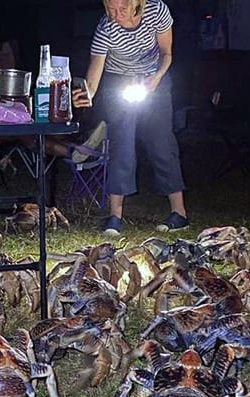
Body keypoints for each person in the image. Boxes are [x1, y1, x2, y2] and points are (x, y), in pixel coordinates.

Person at [82, 0, 188, 236]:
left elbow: (167, 53)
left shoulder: (157, 10)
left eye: (121, 9)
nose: (116, 15)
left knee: (161, 142)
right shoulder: (105, 28)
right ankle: (114, 217)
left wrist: (157, 77)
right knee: (122, 145)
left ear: (136, 3)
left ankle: (179, 213)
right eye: (110, 9)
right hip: (120, 81)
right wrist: (86, 94)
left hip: (155, 79)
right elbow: (94, 74)